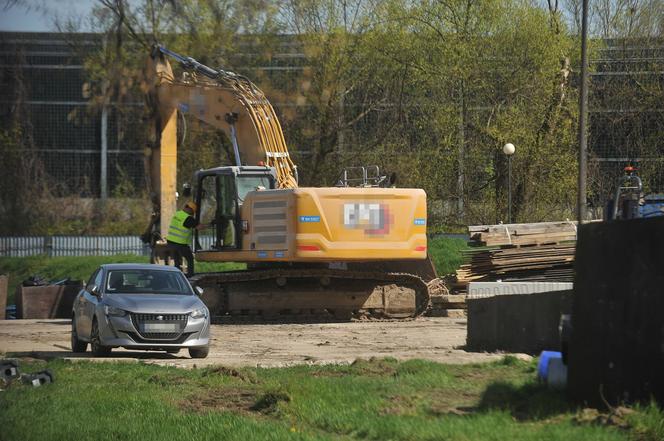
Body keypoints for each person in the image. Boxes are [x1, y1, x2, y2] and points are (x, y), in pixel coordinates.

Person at [166, 201, 206, 276]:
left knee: (177, 261)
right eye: (193, 212)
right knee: (190, 259)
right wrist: (209, 225)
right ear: (190, 210)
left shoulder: (177, 214)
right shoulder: (188, 218)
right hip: (180, 243)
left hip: (171, 242)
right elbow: (199, 227)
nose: (192, 214)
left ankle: (177, 276)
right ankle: (190, 275)